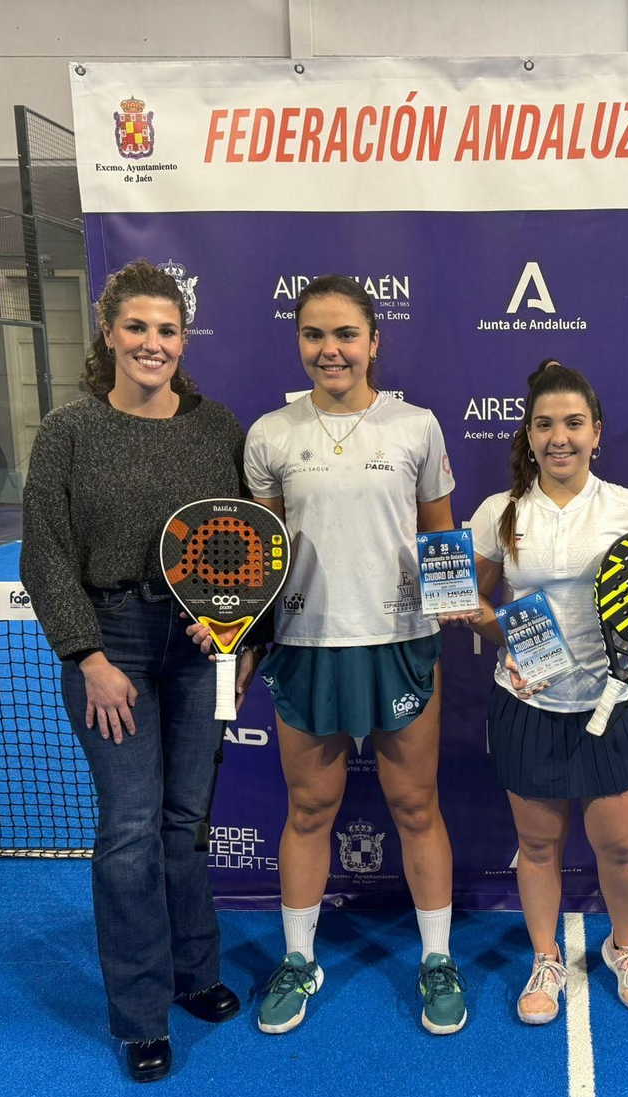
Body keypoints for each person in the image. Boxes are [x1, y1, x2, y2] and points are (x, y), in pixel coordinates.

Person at [20, 259, 247, 1083]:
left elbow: (243, 540)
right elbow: (44, 556)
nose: (153, 342)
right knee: (128, 830)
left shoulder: (218, 427)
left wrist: (231, 629)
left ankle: (197, 974)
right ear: (110, 334)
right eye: (138, 328)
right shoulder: (69, 432)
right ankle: (141, 1014)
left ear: (182, 341)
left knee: (185, 823)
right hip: (108, 643)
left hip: (196, 648)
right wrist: (88, 658)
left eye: (167, 329)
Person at [230, 274, 467, 1035]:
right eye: (313, 335)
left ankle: (436, 960)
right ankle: (299, 960)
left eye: (344, 335)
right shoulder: (269, 434)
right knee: (309, 809)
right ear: (297, 342)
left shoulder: (416, 427)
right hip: (305, 646)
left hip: (401, 642)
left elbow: (439, 533)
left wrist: (458, 604)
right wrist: (247, 642)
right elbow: (264, 557)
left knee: (415, 804)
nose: (329, 350)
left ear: (374, 341)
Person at [464, 359, 628, 1025]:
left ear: (597, 433)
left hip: (614, 704)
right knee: (540, 846)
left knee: (618, 847)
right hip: (528, 704)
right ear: (527, 435)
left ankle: (624, 947)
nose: (559, 437)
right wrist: (503, 638)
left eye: (573, 423)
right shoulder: (500, 512)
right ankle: (546, 958)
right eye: (545, 424)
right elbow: (475, 602)